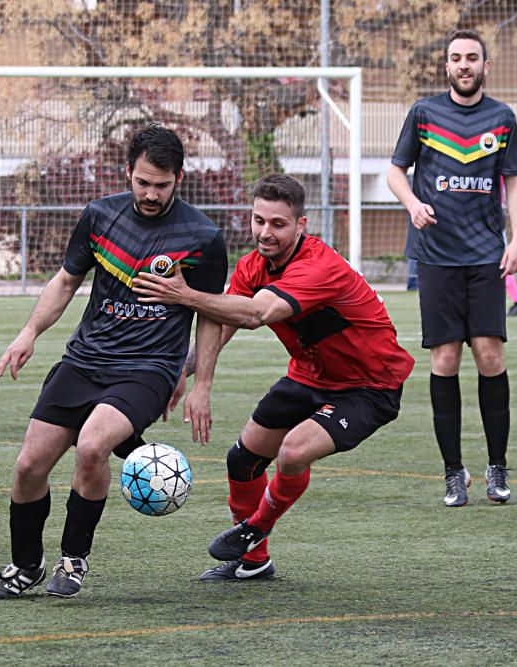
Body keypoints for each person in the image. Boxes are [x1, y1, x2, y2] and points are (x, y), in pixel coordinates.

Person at [0, 124, 228, 600]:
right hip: (85, 360)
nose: (151, 194)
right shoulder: (99, 216)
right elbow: (66, 282)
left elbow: (211, 315)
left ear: (180, 177)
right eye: (142, 182)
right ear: (128, 172)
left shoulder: (202, 236)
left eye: (162, 184)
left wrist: (201, 384)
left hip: (149, 368)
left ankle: (73, 559)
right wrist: (30, 332)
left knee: (92, 446)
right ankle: (25, 566)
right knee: (30, 464)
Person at [132, 174, 415, 580]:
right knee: (243, 460)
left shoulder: (318, 267)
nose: (265, 232)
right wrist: (184, 373)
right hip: (310, 374)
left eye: (278, 224)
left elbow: (254, 314)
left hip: (369, 384)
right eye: (258, 220)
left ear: (301, 225)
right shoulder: (253, 266)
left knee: (294, 451)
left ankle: (255, 527)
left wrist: (183, 295)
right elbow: (222, 322)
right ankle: (254, 562)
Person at [386, 29, 517, 507]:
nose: (463, 65)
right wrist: (411, 203)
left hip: (486, 254)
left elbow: (513, 181)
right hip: (437, 255)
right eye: (455, 58)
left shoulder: (502, 118)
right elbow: (394, 171)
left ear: (486, 66)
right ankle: (452, 472)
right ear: (446, 66)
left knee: (490, 355)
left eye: (472, 58)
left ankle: (497, 467)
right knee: (444, 360)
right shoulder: (424, 114)